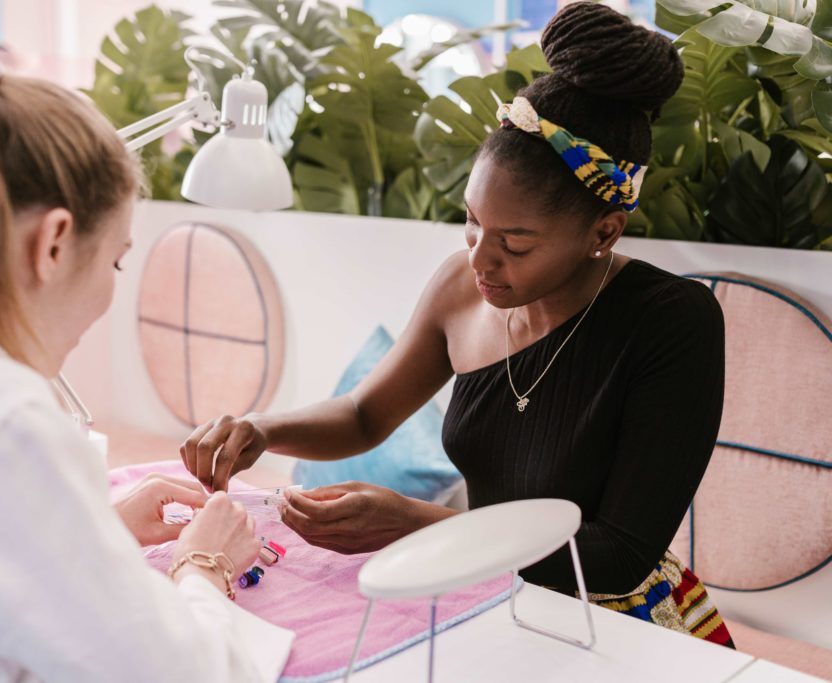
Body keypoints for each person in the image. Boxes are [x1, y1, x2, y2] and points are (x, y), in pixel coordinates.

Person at [181, 2, 734, 647]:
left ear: (603, 232)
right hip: (487, 587)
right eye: (471, 221)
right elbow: (364, 416)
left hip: (617, 622)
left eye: (515, 243)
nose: (479, 258)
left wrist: (415, 524)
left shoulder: (671, 324)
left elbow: (616, 557)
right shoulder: (461, 285)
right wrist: (262, 430)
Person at [0, 43, 292, 681]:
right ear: (55, 242)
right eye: (116, 261)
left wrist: (97, 536)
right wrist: (205, 563)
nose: (109, 294)